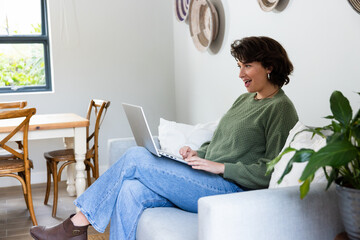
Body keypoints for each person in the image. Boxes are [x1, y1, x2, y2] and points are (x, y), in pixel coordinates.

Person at [30, 36, 298, 240]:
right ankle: (77, 226)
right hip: (207, 179)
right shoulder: (244, 99)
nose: (240, 74)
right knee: (130, 189)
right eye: (239, 66)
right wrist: (197, 153)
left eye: (247, 66)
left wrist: (223, 167)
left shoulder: (281, 108)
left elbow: (271, 171)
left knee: (136, 156)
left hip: (230, 190)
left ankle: (76, 224)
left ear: (270, 67)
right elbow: (220, 140)